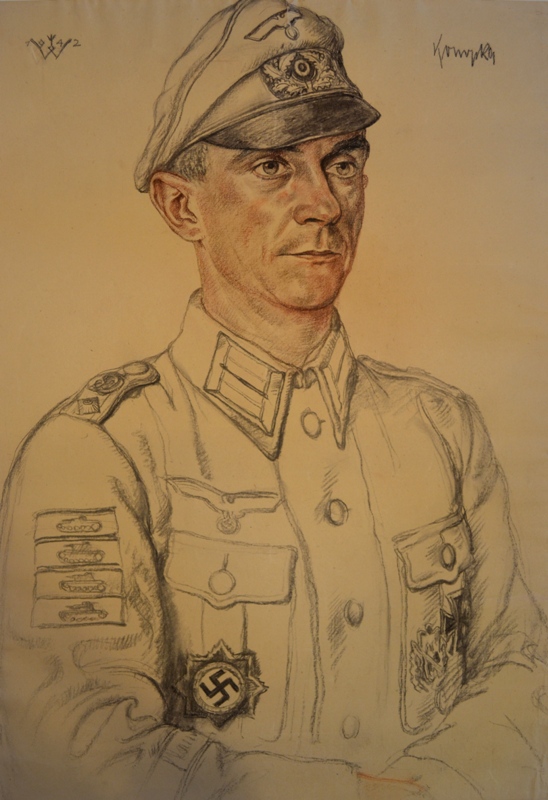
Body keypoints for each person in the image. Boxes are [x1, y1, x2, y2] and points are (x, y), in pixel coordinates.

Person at [1, 1, 546, 799]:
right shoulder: (95, 450)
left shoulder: (442, 426)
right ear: (181, 206)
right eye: (272, 167)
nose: (324, 203)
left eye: (343, 163)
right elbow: (77, 748)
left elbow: (523, 675)